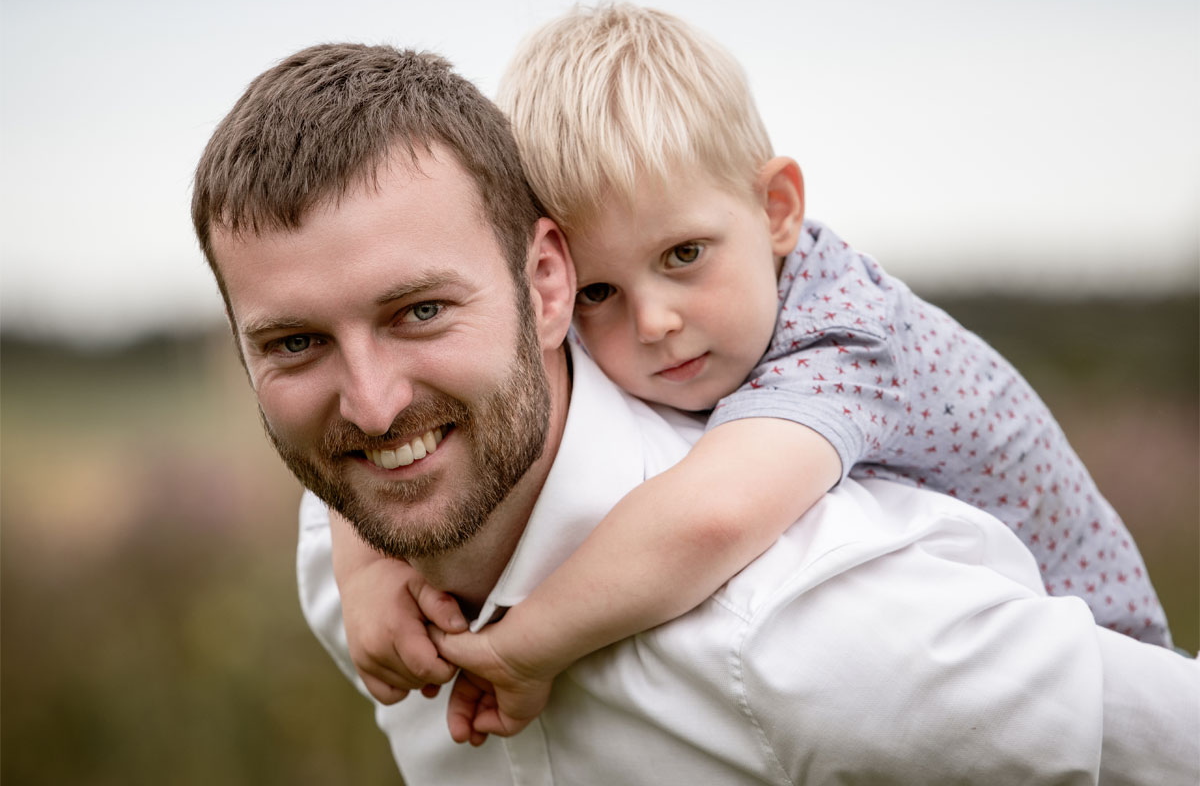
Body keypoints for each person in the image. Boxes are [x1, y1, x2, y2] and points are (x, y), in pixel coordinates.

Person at [191, 41, 1199, 784]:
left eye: (419, 310)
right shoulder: (367, 552)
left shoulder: (808, 605)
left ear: (776, 213)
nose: (658, 322)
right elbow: (365, 462)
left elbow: (717, 515)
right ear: (562, 284)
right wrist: (369, 564)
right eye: (295, 342)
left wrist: (529, 643)